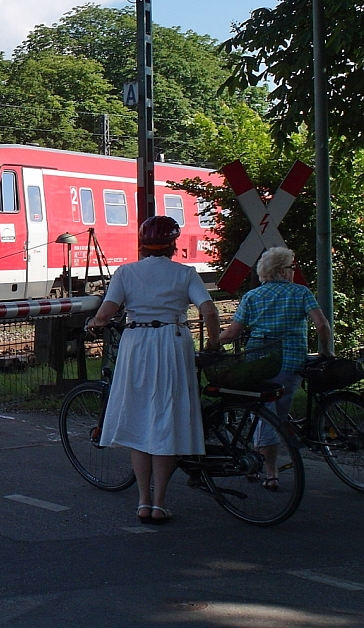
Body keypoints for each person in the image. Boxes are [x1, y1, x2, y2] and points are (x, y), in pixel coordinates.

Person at [85, 215, 221, 525]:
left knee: (139, 418)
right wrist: (213, 344)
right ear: (173, 245)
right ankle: (160, 503)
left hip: (137, 345)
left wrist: (94, 323)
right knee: (165, 418)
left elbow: (106, 313)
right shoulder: (186, 274)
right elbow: (209, 311)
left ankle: (143, 502)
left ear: (143, 244)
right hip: (173, 344)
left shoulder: (126, 272)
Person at [218, 246, 332, 489]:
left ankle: (269, 471)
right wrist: (325, 351)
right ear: (281, 271)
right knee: (275, 416)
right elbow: (322, 325)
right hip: (291, 364)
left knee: (264, 415)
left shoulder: (252, 297)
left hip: (258, 365)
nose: (294, 271)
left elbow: (232, 333)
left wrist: (213, 343)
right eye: (292, 267)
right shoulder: (301, 293)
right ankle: (267, 467)